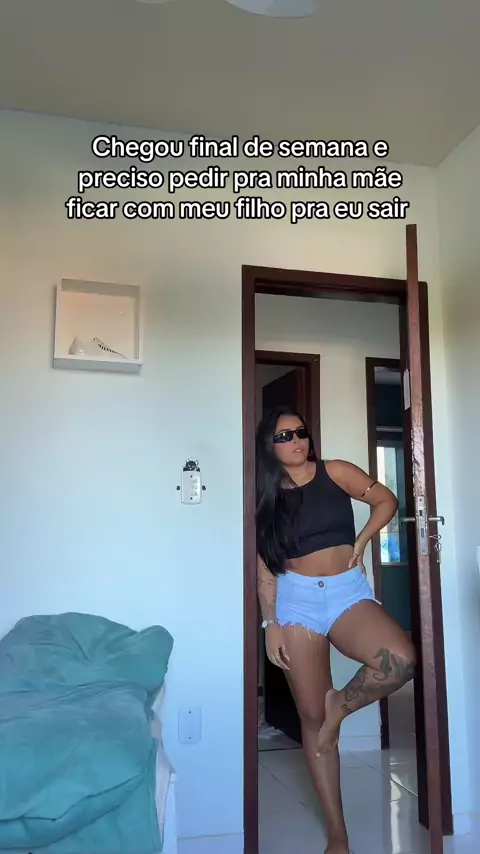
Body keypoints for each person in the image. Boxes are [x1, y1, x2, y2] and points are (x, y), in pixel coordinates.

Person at [256, 405, 416, 854]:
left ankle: (337, 710)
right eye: (284, 436)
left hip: (346, 592)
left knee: (400, 660)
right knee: (310, 718)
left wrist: (362, 540)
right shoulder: (265, 497)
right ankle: (338, 836)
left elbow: (387, 500)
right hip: (295, 601)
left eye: (300, 432)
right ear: (269, 446)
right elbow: (265, 569)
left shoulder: (336, 472)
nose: (295, 441)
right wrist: (270, 623)